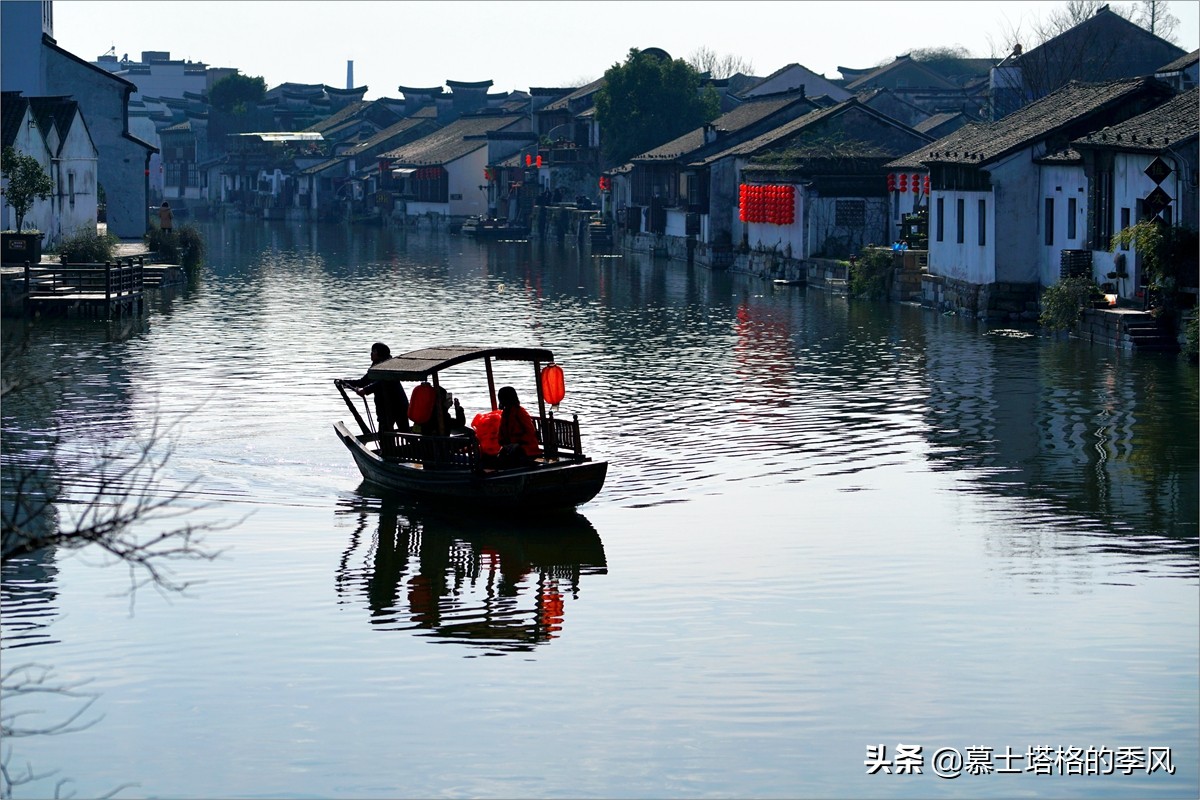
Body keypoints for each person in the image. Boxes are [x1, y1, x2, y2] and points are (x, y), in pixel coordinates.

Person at [341, 342, 409, 436]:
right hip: (385, 407)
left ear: (378, 353)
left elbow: (382, 382)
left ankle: (407, 449)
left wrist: (365, 390)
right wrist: (345, 382)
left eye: (373, 351)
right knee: (386, 433)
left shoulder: (388, 366)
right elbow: (362, 382)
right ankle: (391, 449)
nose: (371, 354)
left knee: (399, 432)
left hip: (396, 406)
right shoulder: (376, 366)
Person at [495, 385, 541, 468]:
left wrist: (517, 444)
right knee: (501, 456)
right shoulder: (505, 413)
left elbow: (530, 432)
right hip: (511, 446)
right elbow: (501, 433)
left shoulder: (520, 412)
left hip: (527, 447)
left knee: (516, 455)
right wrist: (505, 444)